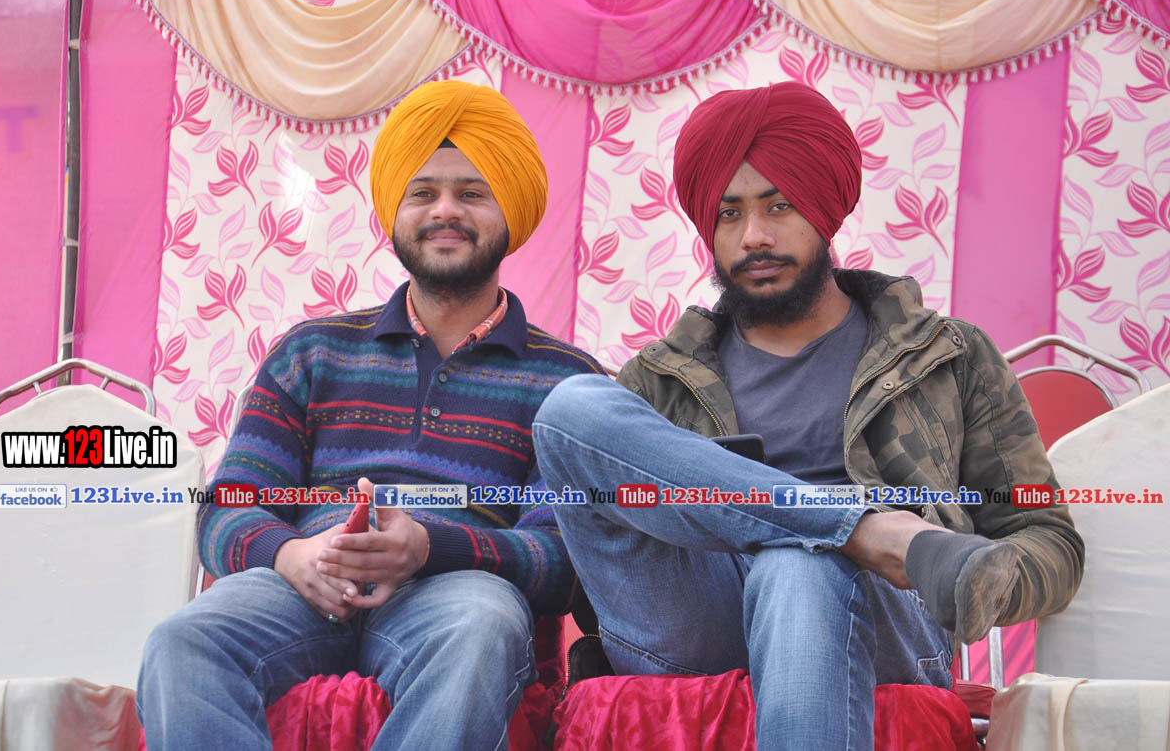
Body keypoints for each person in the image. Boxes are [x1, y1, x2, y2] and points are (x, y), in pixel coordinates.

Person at [531, 83, 1084, 749]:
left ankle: (847, 541)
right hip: (700, 622)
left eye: (779, 205)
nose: (754, 236)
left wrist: (980, 581)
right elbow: (604, 550)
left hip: (885, 620)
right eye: (729, 214)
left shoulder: (947, 357)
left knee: (798, 565)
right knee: (570, 407)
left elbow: (1048, 537)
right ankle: (864, 528)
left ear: (824, 209)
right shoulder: (658, 377)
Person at [137, 81, 603, 750]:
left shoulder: (568, 381)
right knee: (183, 641)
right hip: (302, 587)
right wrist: (291, 553)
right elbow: (227, 505)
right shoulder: (311, 352)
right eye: (424, 192)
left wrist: (429, 547)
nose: (446, 210)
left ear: (511, 209)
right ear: (395, 211)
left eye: (473, 193)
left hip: (456, 596)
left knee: (481, 627)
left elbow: (564, 560)